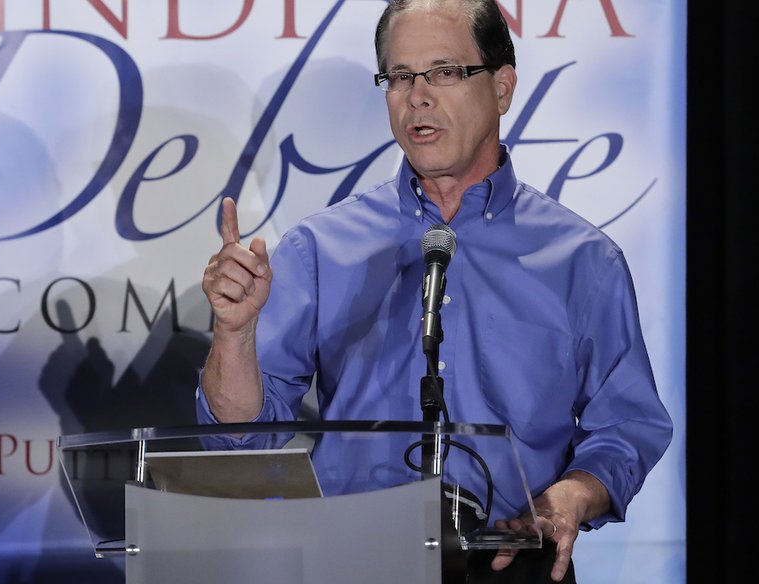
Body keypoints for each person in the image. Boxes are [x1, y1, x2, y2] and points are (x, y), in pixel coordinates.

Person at [197, 0, 673, 582]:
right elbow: (245, 436)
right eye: (399, 77)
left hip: (511, 562)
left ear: (502, 88)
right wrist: (235, 334)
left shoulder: (583, 261)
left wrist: (574, 495)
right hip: (354, 563)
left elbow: (625, 426)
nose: (417, 97)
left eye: (445, 72)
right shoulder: (319, 249)